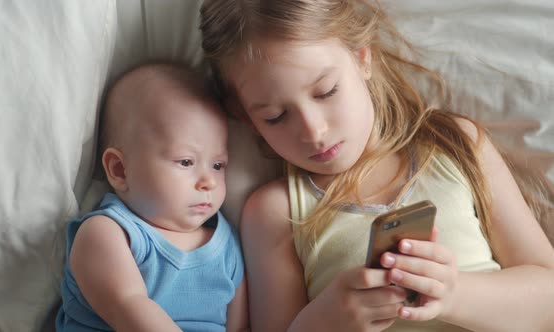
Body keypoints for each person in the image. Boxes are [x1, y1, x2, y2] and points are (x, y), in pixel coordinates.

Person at [199, 1, 554, 331]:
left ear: (362, 58)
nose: (314, 131)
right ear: (246, 118)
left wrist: (453, 294)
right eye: (276, 117)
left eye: (326, 92)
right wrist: (324, 320)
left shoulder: (456, 144)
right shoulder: (276, 211)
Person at [56, 63, 248, 332]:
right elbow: (128, 307)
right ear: (120, 170)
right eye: (185, 161)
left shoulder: (229, 248)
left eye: (218, 165)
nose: (208, 182)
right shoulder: (108, 233)